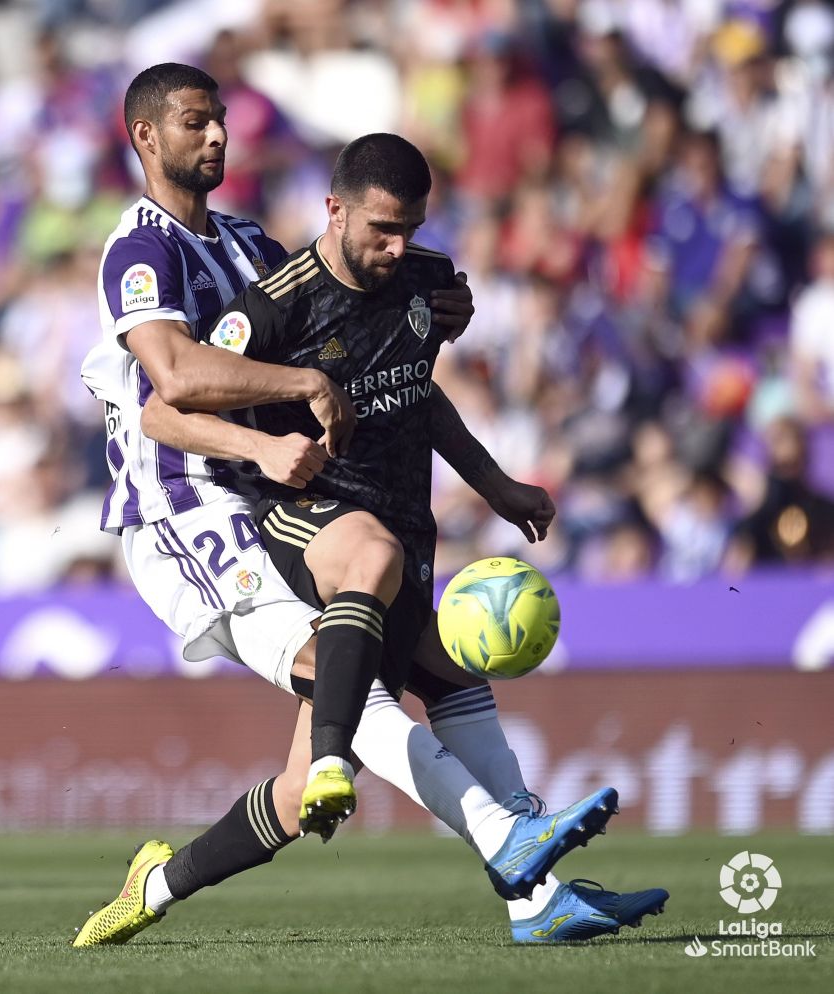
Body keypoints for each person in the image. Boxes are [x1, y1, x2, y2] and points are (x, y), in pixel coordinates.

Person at [72, 64, 666, 948]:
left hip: (278, 488)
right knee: (338, 674)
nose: (220, 137)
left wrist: (414, 311)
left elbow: (345, 336)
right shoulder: (140, 250)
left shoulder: (246, 243)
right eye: (197, 122)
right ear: (146, 138)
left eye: (223, 120)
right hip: (189, 508)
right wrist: (291, 406)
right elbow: (175, 383)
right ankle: (511, 842)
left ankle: (161, 883)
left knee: (409, 685)